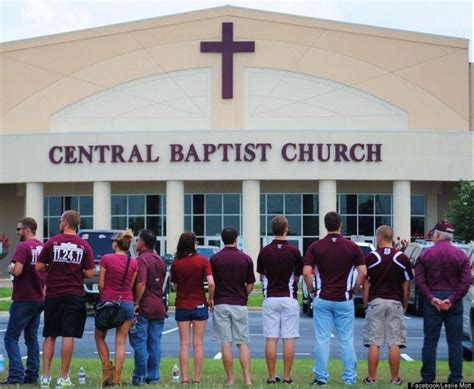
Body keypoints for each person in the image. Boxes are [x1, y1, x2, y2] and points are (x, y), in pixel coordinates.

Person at [303, 211, 366, 385]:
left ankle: (321, 377)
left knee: (322, 339)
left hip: (323, 297)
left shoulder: (315, 247)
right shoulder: (352, 247)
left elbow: (306, 272)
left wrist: (313, 290)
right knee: (346, 339)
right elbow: (363, 272)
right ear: (340, 225)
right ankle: (349, 378)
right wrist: (354, 290)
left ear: (325, 226)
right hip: (344, 299)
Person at [36, 210, 95, 388]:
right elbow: (90, 273)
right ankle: (63, 377)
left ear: (64, 222)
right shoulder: (84, 246)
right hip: (74, 294)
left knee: (50, 335)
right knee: (68, 335)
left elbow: (39, 266)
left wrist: (53, 268)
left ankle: (45, 377)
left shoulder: (52, 242)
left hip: (54, 294)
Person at [415, 220, 470, 383]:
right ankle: (456, 378)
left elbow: (419, 281)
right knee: (455, 341)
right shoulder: (461, 255)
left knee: (430, 340)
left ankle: (427, 378)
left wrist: (432, 298)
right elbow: (465, 281)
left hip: (433, 299)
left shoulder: (425, 254)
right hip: (454, 300)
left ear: (437, 235)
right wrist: (452, 299)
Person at [362, 225, 413, 385]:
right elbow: (406, 284)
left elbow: (366, 283)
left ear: (379, 238)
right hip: (395, 302)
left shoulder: (371, 258)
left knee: (374, 342)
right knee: (394, 342)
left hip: (376, 301)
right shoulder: (402, 258)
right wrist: (404, 304)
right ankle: (394, 378)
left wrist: (366, 302)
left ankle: (371, 378)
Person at [257, 216, 303, 384]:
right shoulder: (293, 251)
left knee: (271, 338)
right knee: (288, 338)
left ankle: (271, 377)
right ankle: (287, 377)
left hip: (271, 298)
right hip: (288, 297)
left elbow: (262, 276)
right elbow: (297, 277)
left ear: (272, 229)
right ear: (286, 229)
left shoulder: (264, 251)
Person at [210, 227, 255, 385]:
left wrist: (212, 298)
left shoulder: (215, 259)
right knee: (242, 342)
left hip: (221, 303)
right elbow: (250, 283)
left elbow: (212, 283)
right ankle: (247, 379)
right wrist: (244, 295)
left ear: (222, 240)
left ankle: (230, 379)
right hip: (239, 303)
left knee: (226, 342)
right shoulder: (245, 258)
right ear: (236, 238)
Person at [2, 217, 44, 385]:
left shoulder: (23, 247)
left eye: (19, 229)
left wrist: (10, 267)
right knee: (31, 337)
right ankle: (32, 375)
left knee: (10, 338)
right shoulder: (42, 246)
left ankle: (15, 375)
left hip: (24, 297)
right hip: (39, 297)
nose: (17, 232)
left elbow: (17, 271)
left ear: (27, 229)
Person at [170, 232, 215, 385]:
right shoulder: (203, 261)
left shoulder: (176, 263)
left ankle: (184, 378)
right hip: (199, 303)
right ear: (193, 244)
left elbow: (175, 285)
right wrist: (210, 299)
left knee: (184, 343)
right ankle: (196, 379)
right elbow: (211, 283)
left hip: (182, 304)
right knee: (198, 343)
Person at [95, 229, 138, 386]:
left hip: (108, 302)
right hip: (126, 302)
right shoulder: (133, 262)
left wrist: (103, 296)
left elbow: (101, 284)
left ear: (116, 244)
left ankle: (107, 370)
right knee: (120, 341)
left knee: (100, 336)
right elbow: (131, 285)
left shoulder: (106, 259)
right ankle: (117, 377)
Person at [129, 229, 167, 386]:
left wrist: (136, 302)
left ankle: (140, 376)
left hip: (144, 306)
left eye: (137, 240)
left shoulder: (141, 260)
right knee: (155, 343)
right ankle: (154, 376)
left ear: (142, 243)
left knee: (140, 343)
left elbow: (141, 283)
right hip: (159, 306)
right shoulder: (160, 260)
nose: (136, 243)